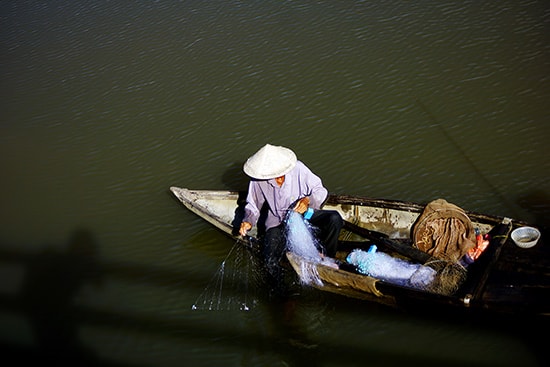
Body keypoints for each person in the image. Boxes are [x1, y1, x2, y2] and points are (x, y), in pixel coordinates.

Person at [238, 143, 343, 289]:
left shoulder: (298, 169)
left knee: (334, 219)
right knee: (269, 260)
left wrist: (307, 200)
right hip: (277, 221)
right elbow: (253, 205)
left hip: (304, 214)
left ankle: (327, 258)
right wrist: (248, 221)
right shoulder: (258, 180)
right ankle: (283, 295)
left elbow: (320, 190)